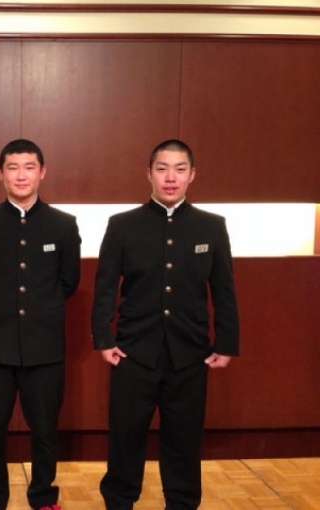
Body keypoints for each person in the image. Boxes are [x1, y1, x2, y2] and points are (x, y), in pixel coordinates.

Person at [91, 139, 240, 510]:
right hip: (133, 352)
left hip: (190, 354)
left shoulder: (211, 227)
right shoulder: (122, 226)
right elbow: (105, 286)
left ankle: (182, 503)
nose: (170, 177)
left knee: (184, 441)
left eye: (179, 169)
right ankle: (119, 502)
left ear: (192, 175)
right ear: (149, 174)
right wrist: (103, 338)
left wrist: (226, 343)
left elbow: (224, 291)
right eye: (162, 169)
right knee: (125, 439)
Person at [0, 139, 81, 510]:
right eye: (12, 167)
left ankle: (43, 496)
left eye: (29, 167)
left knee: (45, 430)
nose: (21, 175)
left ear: (42, 172)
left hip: (45, 347)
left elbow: (69, 281)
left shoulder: (63, 225)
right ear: (0, 173)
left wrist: (39, 311)